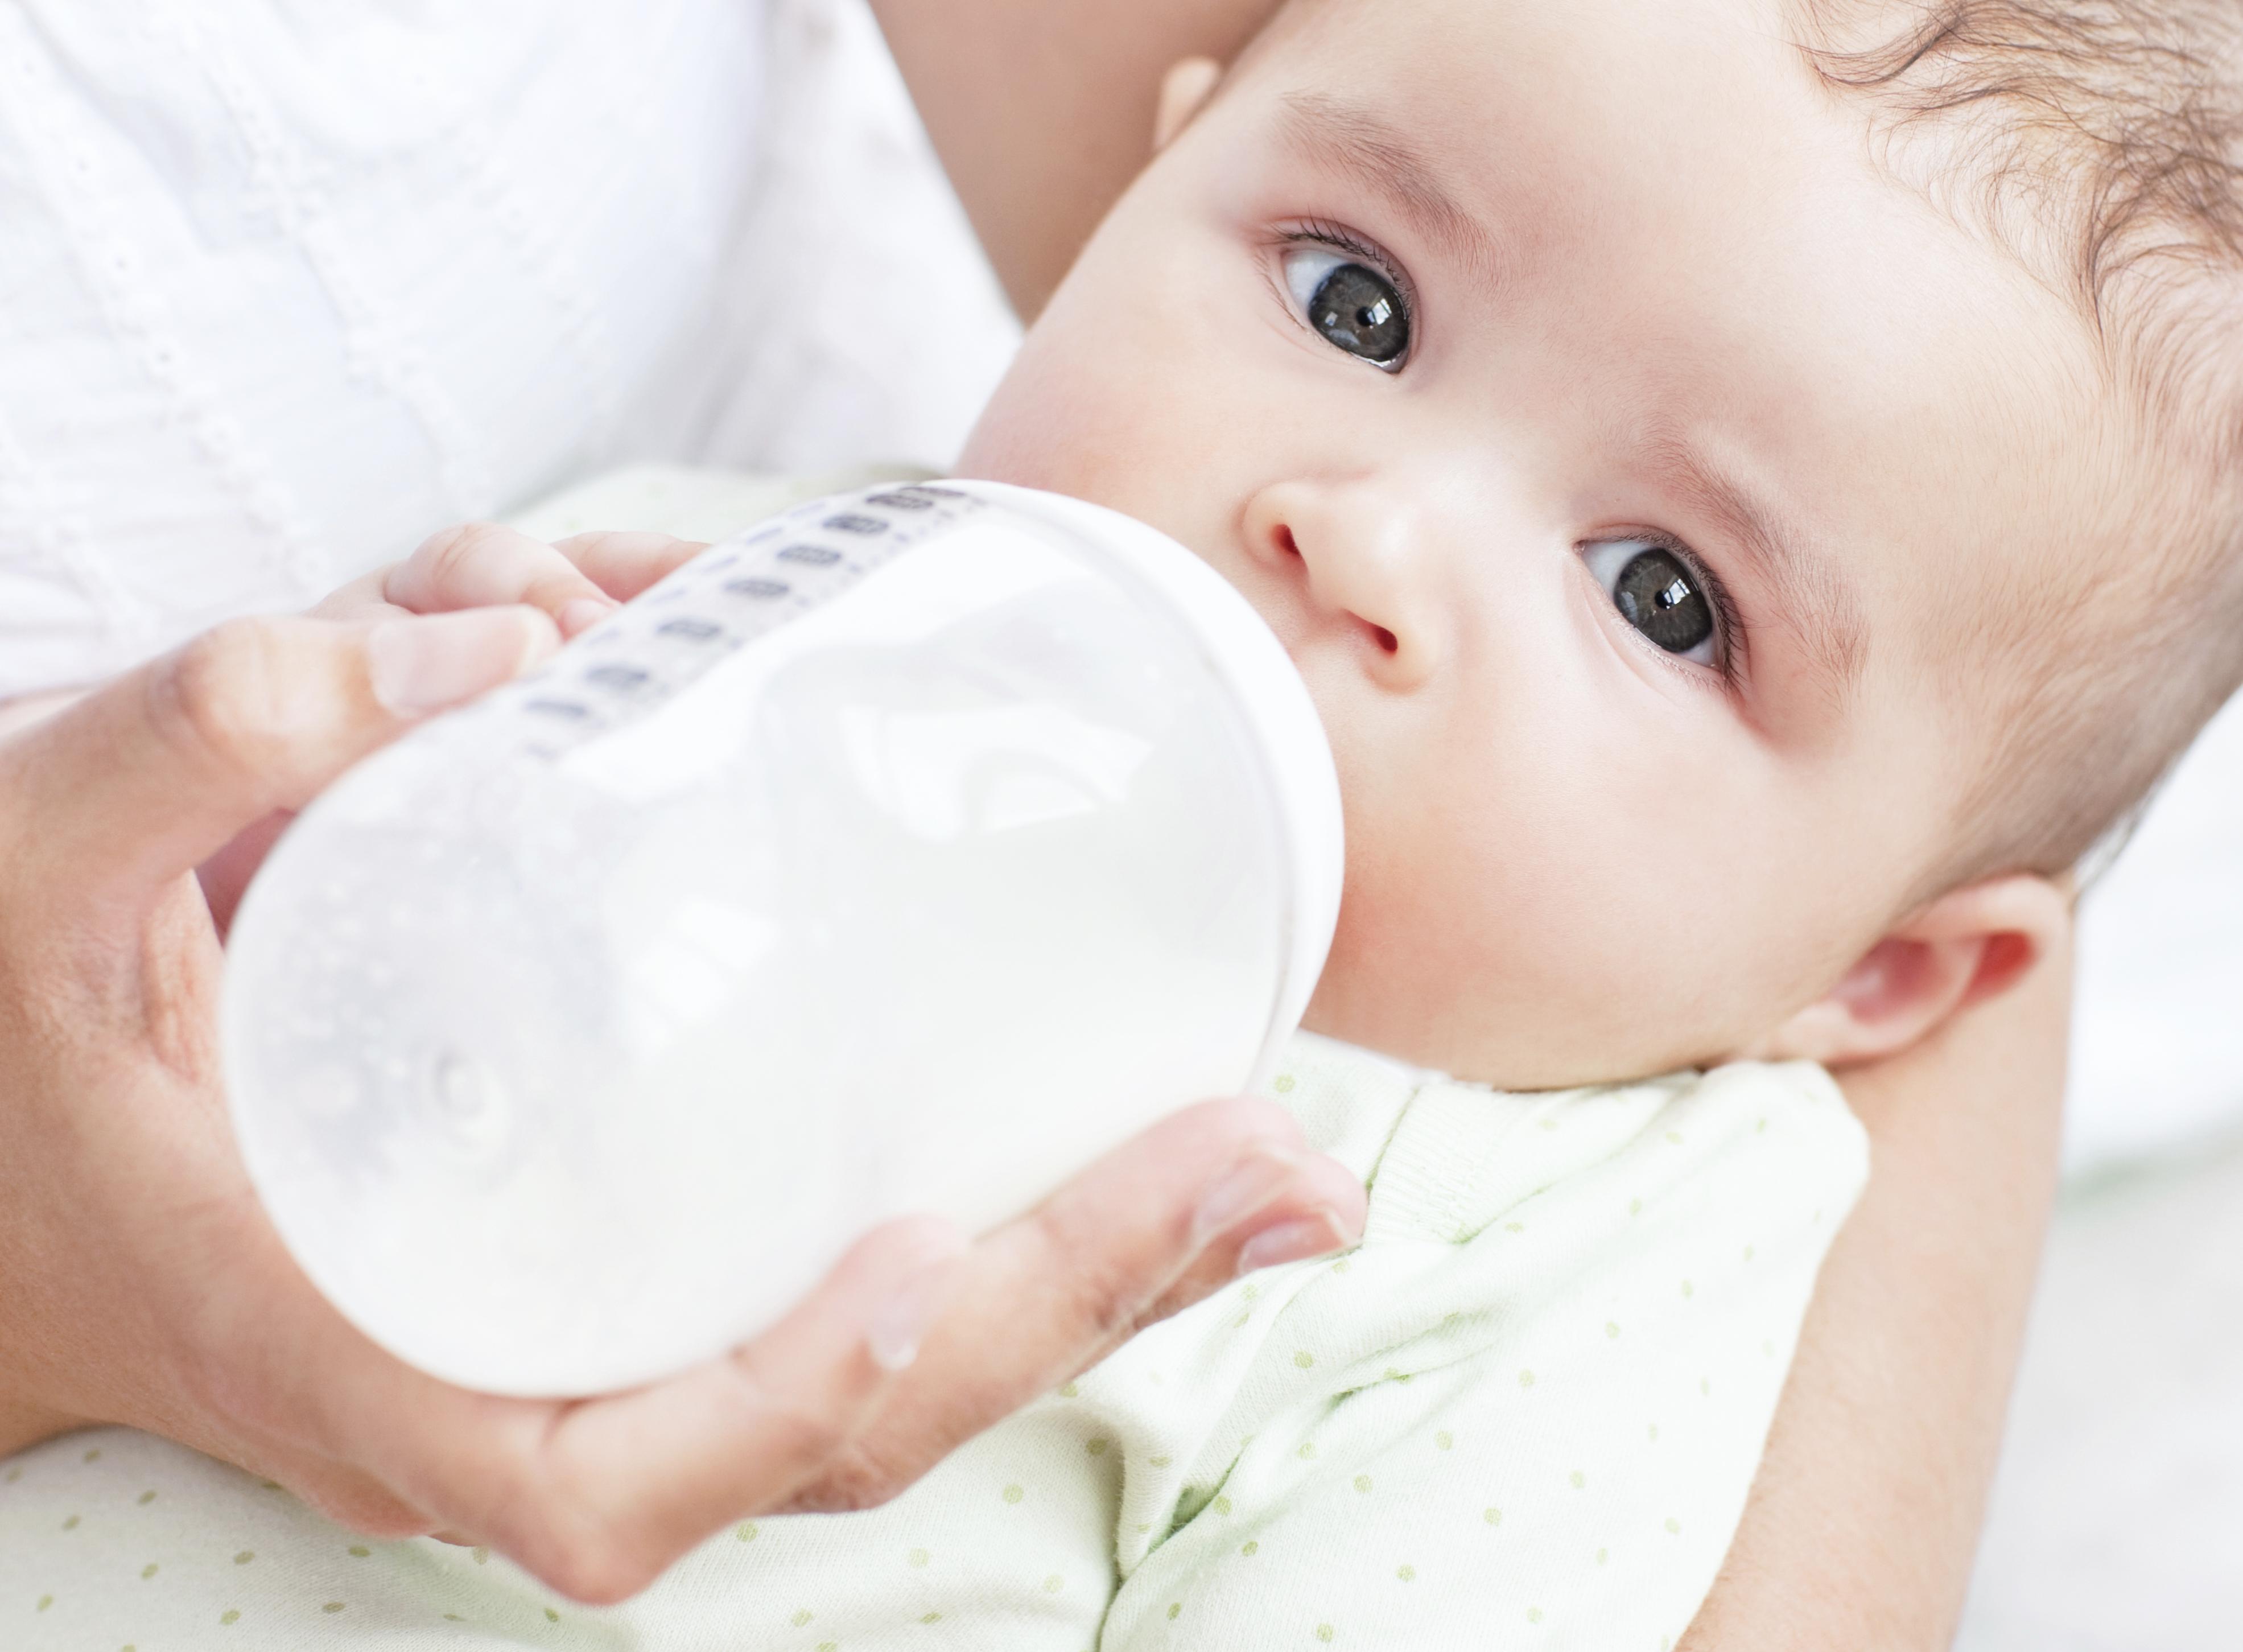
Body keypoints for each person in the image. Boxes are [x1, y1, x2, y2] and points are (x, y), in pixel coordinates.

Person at [0, 0, 2100, 1644]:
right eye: (1353, 303)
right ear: (1151, 175)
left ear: (1887, 978)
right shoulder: (712, 593)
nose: (1366, 532)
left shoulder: (1572, 1236)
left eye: (1666, 599)